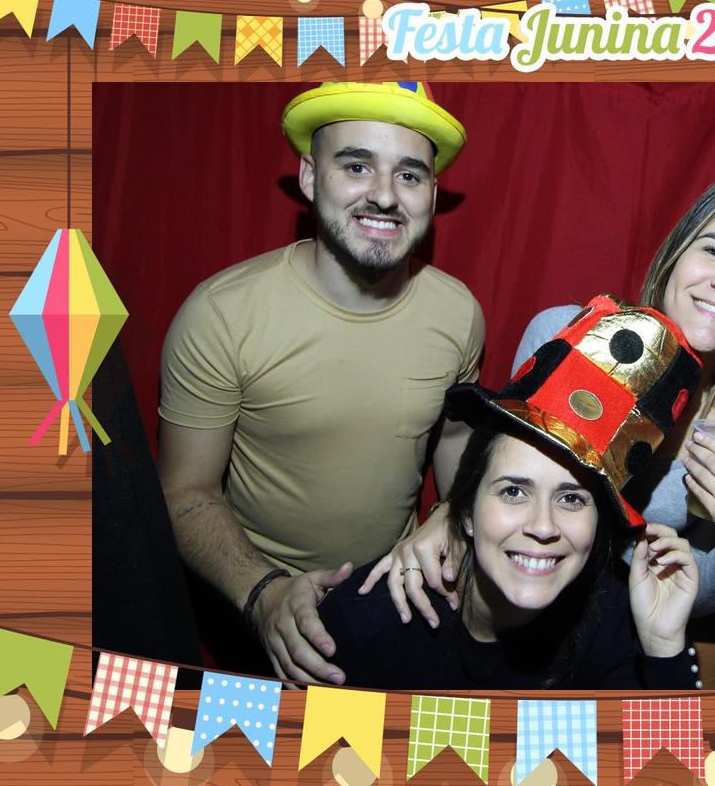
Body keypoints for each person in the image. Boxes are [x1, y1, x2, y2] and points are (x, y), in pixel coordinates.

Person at [362, 169, 715, 687]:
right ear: (675, 256)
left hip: (618, 646)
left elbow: (682, 595)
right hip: (506, 618)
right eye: (714, 250)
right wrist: (449, 515)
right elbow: (501, 470)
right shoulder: (565, 336)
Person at [155, 82, 484, 686]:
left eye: (409, 175)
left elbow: (459, 455)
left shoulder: (458, 312)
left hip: (398, 598)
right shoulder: (221, 314)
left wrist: (451, 518)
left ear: (432, 195)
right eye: (356, 166)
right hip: (259, 597)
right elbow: (184, 491)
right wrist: (264, 594)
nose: (384, 195)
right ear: (310, 177)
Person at [318, 295, 702, 688]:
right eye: (514, 492)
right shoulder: (365, 623)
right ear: (465, 511)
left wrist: (663, 647)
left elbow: (669, 732)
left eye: (571, 498)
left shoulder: (615, 622)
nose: (543, 526)